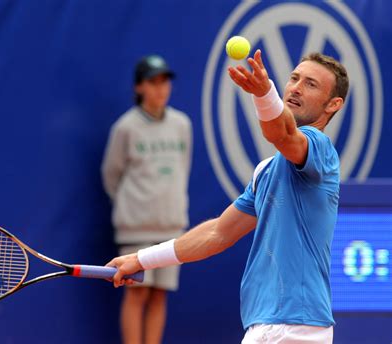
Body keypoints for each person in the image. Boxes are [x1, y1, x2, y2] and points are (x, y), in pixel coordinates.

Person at [107, 49, 349, 344]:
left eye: (311, 84)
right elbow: (217, 233)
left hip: (293, 327)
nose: (296, 87)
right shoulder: (266, 171)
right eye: (294, 78)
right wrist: (141, 258)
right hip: (274, 324)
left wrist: (264, 94)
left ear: (333, 104)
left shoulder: (320, 148)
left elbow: (282, 135)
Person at [101, 55, 192, 344]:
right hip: (136, 228)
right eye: (153, 82)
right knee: (137, 291)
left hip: (170, 227)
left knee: (159, 294)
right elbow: (111, 174)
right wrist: (134, 208)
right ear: (139, 87)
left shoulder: (182, 125)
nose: (161, 88)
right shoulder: (125, 128)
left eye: (164, 81)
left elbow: (183, 168)